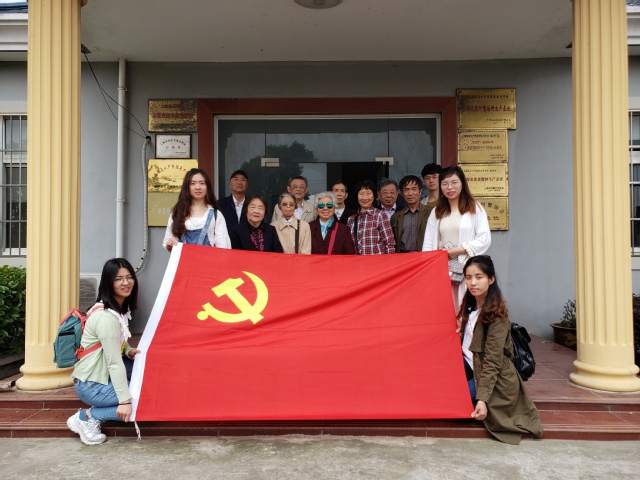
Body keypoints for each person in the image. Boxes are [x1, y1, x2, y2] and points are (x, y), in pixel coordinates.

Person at [459, 255, 543, 445]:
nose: (473, 283)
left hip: (489, 373)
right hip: (469, 363)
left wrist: (482, 399)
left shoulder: (496, 315)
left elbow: (492, 361)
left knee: (456, 398)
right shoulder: (470, 306)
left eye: (479, 277)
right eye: (468, 277)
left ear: (491, 279)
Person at [67, 258, 140, 446]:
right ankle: (86, 417)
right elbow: (114, 363)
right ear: (108, 283)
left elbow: (116, 340)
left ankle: (109, 402)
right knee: (142, 401)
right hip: (92, 385)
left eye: (129, 277)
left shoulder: (116, 309)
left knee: (148, 377)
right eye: (118, 279)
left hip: (101, 375)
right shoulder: (106, 317)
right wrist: (125, 402)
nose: (126, 282)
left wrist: (129, 350)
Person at [421, 166, 491, 308]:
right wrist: (429, 265)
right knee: (444, 306)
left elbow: (484, 238)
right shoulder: (437, 212)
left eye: (454, 182)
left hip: (467, 267)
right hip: (442, 268)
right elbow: (428, 243)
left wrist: (458, 250)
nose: (449, 187)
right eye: (445, 184)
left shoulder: (474, 209)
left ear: (462, 184)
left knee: (466, 305)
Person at [162, 168, 231, 251]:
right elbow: (167, 241)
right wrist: (169, 244)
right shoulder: (177, 213)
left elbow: (223, 247)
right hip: (183, 259)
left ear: (207, 187)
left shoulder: (216, 215)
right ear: (187, 187)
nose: (198, 187)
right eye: (193, 183)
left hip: (208, 259)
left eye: (202, 183)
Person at [347, 180, 395, 255]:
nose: (365, 197)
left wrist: (389, 260)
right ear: (357, 196)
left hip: (377, 261)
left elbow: (389, 243)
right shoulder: (351, 219)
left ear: (374, 196)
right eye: (361, 194)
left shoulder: (380, 215)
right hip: (358, 261)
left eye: (368, 193)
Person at [390, 175, 431, 253]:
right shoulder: (396, 217)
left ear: (420, 191)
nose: (410, 193)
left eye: (414, 189)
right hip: (403, 256)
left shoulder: (431, 212)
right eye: (406, 190)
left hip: (425, 255)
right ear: (402, 193)